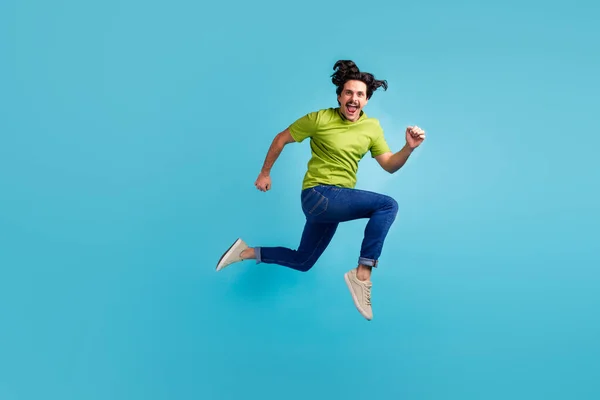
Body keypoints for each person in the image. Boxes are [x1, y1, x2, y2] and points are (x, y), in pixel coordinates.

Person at [215, 60, 426, 321]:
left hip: (334, 205)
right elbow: (281, 138)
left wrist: (409, 148)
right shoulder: (319, 119)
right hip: (318, 195)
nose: (353, 98)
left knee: (303, 261)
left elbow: (390, 165)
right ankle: (363, 274)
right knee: (388, 205)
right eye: (348, 92)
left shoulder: (371, 128)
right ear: (339, 96)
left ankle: (244, 252)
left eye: (360, 94)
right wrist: (265, 172)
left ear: (366, 100)